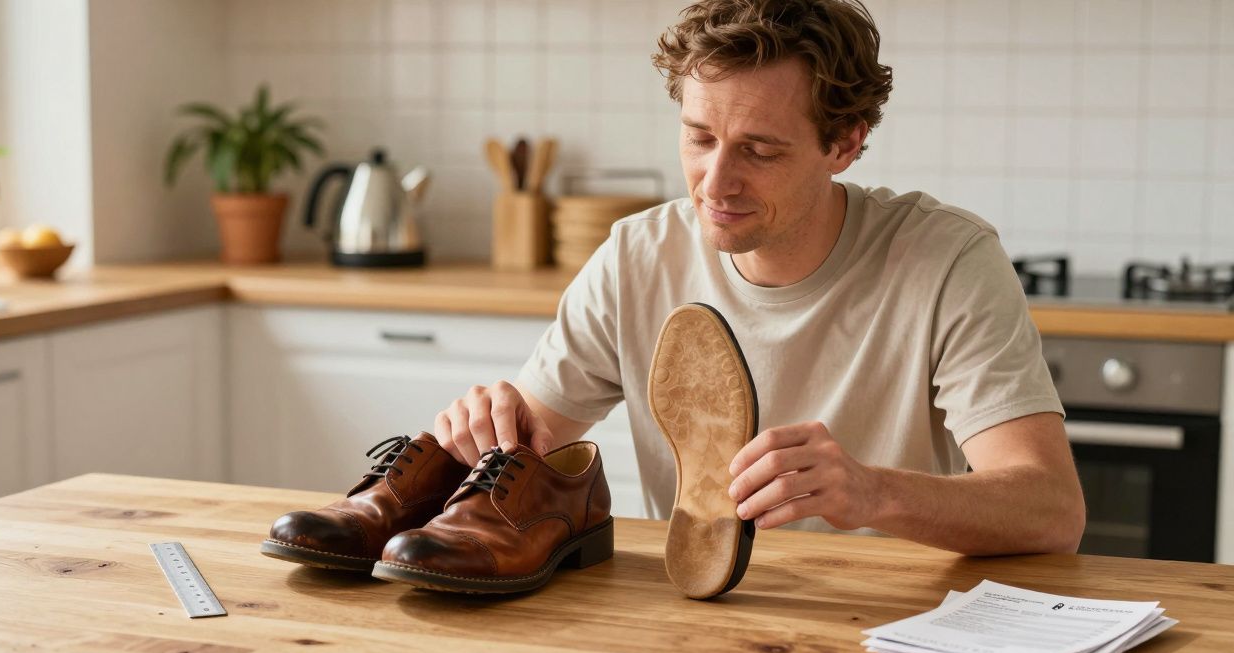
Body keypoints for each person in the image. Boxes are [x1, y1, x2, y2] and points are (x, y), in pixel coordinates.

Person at [433, 0, 1085, 557]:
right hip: (704, 614)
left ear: (845, 144)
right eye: (699, 138)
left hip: (897, 626)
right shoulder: (638, 258)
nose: (714, 183)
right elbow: (529, 447)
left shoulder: (947, 260)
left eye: (759, 150)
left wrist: (870, 492)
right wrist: (483, 434)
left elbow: (1052, 510)